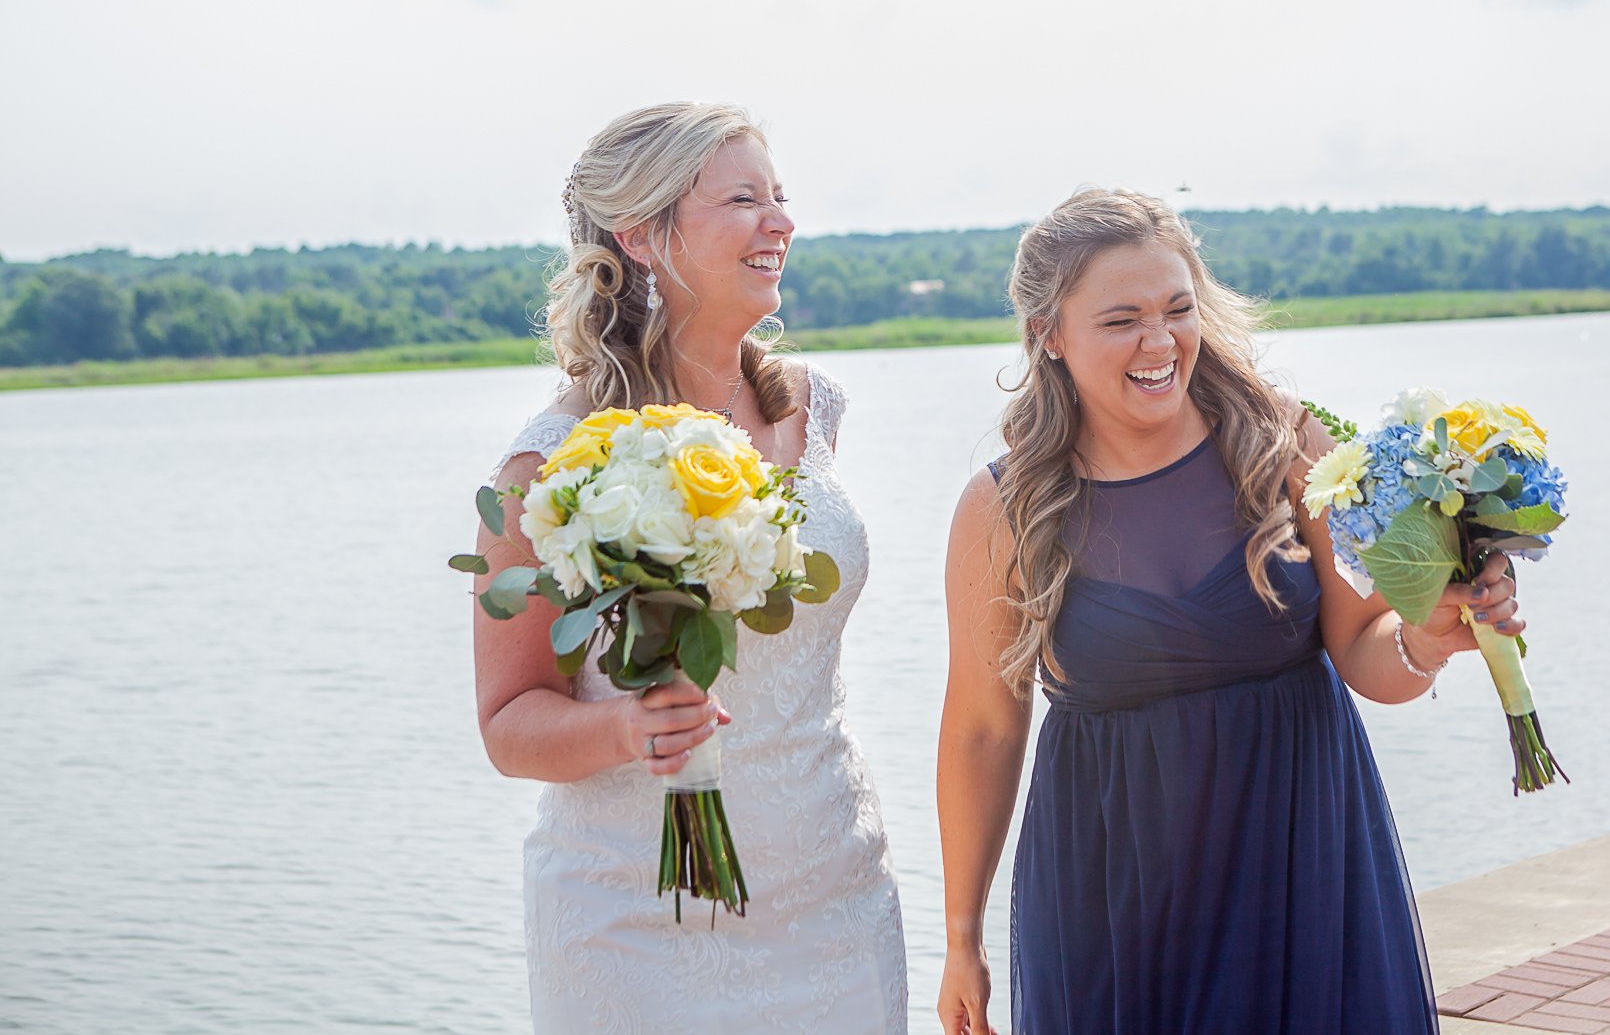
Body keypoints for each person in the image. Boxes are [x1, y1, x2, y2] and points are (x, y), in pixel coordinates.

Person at [935, 189, 1524, 1035]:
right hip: (1110, 898)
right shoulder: (1003, 508)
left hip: (1300, 869)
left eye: (1178, 309)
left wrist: (1428, 639)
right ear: (1048, 335)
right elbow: (982, 731)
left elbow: (1364, 648)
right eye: (1122, 319)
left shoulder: (1284, 443)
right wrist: (962, 937)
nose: (1159, 342)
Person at [473, 103, 907, 1033]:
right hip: (635, 927)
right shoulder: (552, 465)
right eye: (744, 200)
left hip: (836, 890)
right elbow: (508, 725)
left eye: (780, 195)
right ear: (640, 234)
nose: (781, 220)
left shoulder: (811, 410)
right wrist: (627, 726)